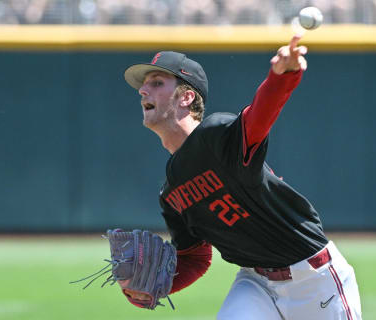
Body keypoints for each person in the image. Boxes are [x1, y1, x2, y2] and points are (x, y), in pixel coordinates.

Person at [120, 36, 363, 320]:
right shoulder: (171, 191)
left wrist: (282, 76)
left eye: (157, 83)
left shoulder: (216, 136)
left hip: (314, 278)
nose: (143, 91)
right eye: (144, 85)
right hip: (256, 285)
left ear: (186, 97)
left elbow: (259, 117)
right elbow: (195, 258)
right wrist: (153, 288)